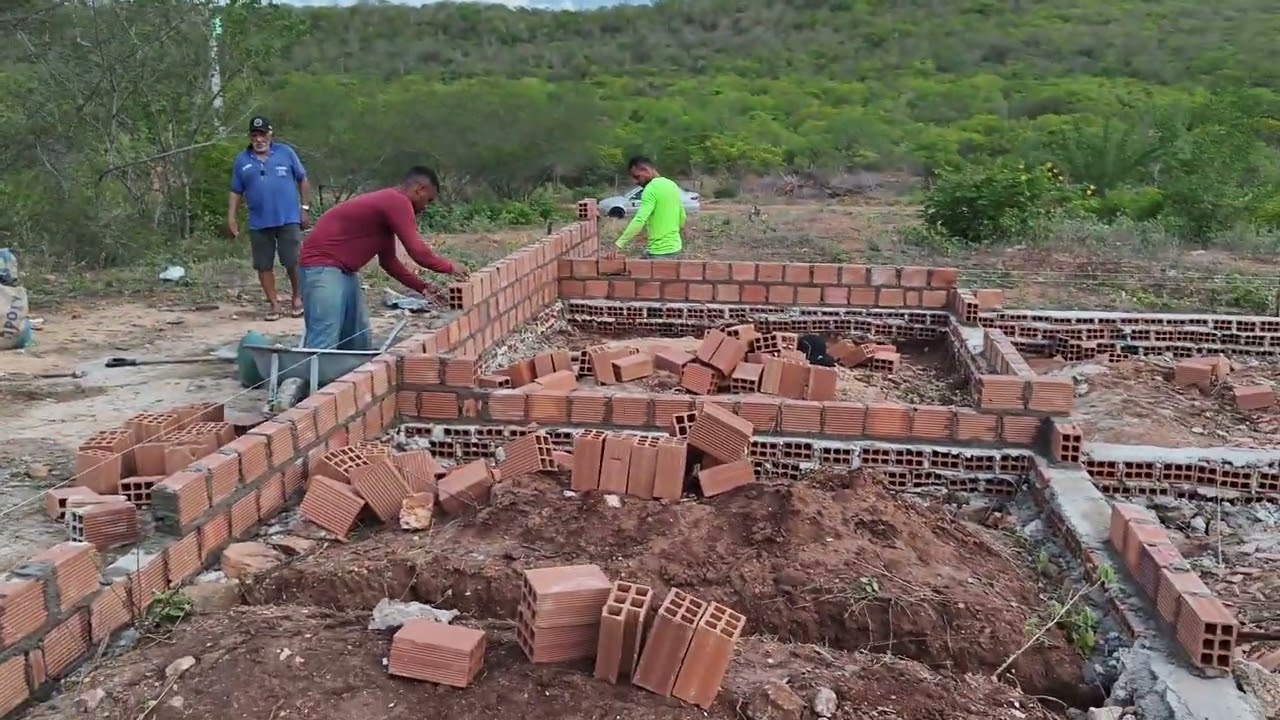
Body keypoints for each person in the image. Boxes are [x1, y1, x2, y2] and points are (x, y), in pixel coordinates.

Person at [296, 166, 468, 351]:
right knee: (324, 338)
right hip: (322, 267)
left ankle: (350, 377)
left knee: (356, 338)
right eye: (428, 200)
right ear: (419, 190)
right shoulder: (397, 201)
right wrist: (450, 267)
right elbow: (418, 252)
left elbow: (389, 262)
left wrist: (423, 288)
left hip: (344, 271)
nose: (426, 207)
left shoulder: (387, 209)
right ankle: (309, 379)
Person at [227, 115, 311, 321]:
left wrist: (305, 208)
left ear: (270, 134)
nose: (259, 139)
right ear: (250, 137)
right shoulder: (242, 160)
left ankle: (297, 298)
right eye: (254, 135)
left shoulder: (286, 153)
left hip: (288, 218)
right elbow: (236, 191)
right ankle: (274, 304)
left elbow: (303, 179)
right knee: (263, 265)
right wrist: (231, 217)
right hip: (259, 221)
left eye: (263, 134)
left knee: (292, 260)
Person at [614, 156, 686, 259]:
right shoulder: (671, 185)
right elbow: (682, 216)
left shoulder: (650, 189)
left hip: (659, 252)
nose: (636, 182)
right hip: (675, 248)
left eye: (637, 177)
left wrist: (619, 244)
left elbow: (639, 219)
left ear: (645, 170)